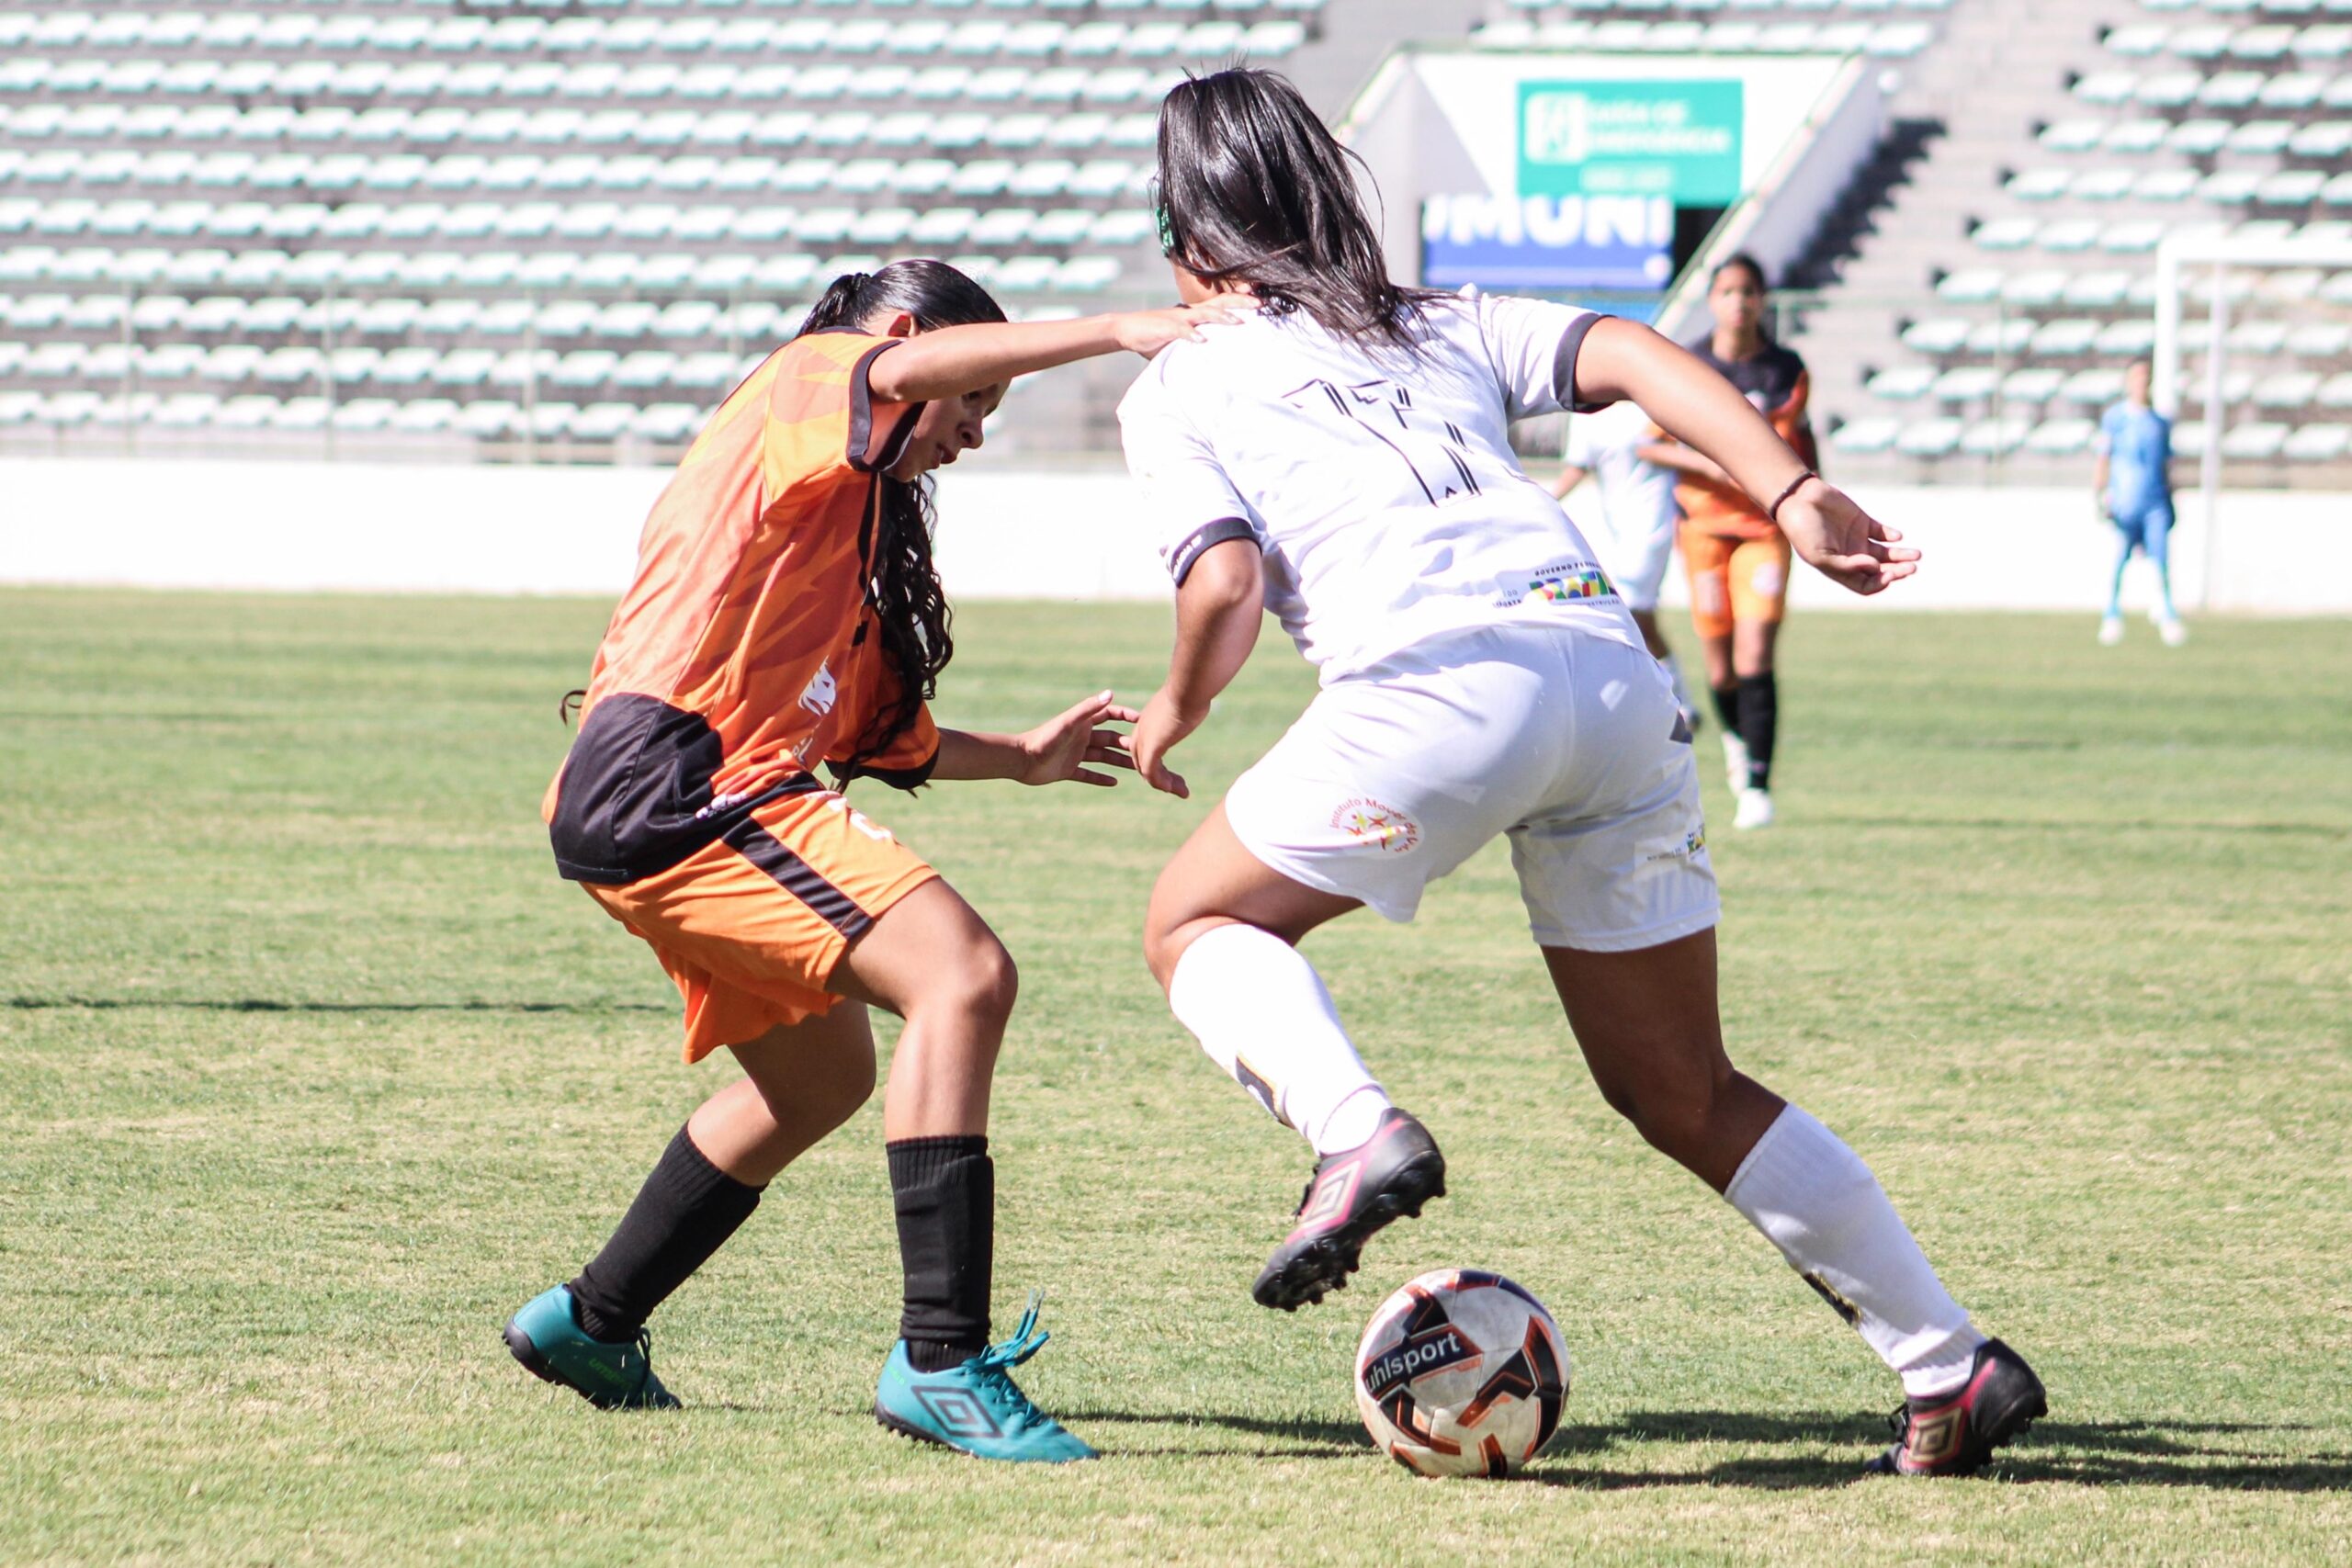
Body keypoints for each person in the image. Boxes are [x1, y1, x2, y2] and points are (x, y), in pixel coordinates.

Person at [1120, 69, 2045, 1478]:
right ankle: (1949, 1363)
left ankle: (1354, 1130)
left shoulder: (1179, 376)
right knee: (1683, 1087)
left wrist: (1176, 710)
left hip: (1435, 685)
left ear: (1185, 238)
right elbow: (1627, 351)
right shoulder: (1431, 316)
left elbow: (1228, 584)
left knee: (1194, 919)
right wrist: (1787, 489)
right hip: (1611, 671)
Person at [503, 259, 1239, 1464]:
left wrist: (1024, 757)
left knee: (818, 1085)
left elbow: (873, 737)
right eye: (974, 404)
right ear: (904, 340)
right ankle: (942, 1359)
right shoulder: (809, 378)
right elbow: (895, 372)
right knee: (964, 976)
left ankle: (589, 1318)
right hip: (681, 787)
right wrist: (1115, 328)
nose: (974, 434)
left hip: (655, 795)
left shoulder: (835, 519)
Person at [1639, 254, 1813, 831]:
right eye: (1729, 291)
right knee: (1720, 665)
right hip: (1704, 530)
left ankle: (1758, 781)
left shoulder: (1785, 370)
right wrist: (1707, 463)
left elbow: (1800, 444)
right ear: (1713, 300)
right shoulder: (1690, 366)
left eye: (1749, 292)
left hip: (1764, 530)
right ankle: (1739, 747)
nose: (1739, 302)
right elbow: (1651, 443)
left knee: (1755, 651)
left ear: (1763, 300)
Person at [1551, 397, 1697, 728]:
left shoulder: (1650, 403)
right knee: (1639, 617)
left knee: (1630, 611)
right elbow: (1579, 465)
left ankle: (1658, 704)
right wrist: (1544, 501)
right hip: (1613, 527)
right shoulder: (1586, 414)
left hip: (1653, 523)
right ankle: (1680, 701)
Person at [2094, 361, 2188, 646]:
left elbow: (2166, 465)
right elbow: (2104, 458)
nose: (2140, 383)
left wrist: (2172, 499)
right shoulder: (2115, 419)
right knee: (2121, 557)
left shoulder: (2158, 422)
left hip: (2154, 500)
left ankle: (2166, 612)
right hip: (2125, 501)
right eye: (2136, 377)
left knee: (2160, 558)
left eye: (2145, 377)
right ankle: (2112, 613)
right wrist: (2100, 495)